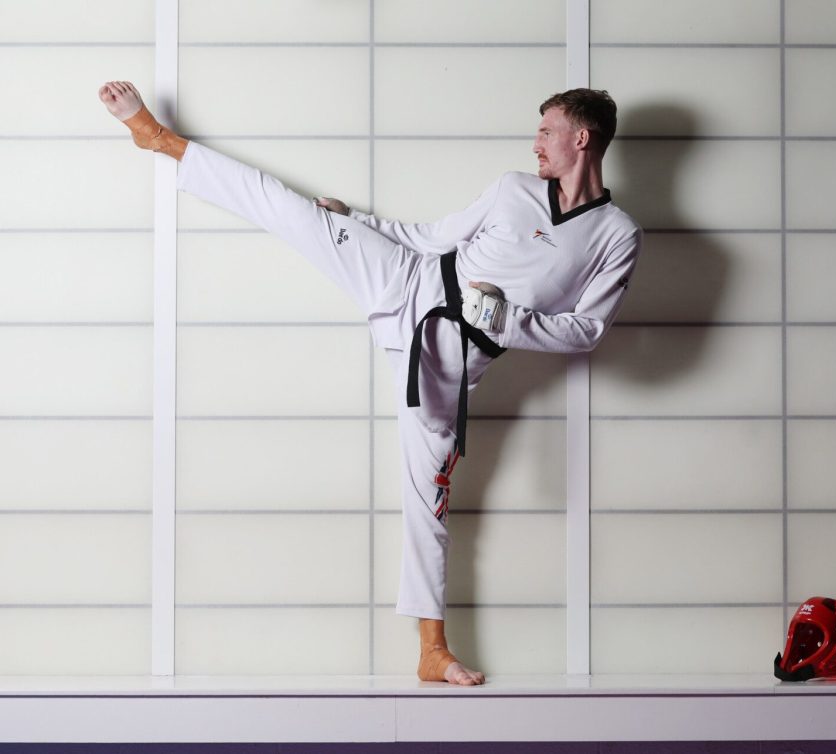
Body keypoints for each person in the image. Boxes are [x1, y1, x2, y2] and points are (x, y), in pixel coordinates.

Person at [98, 80, 642, 686]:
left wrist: (504, 319)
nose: (536, 142)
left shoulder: (616, 235)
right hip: (405, 278)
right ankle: (161, 139)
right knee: (289, 207)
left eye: (546, 131)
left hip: (448, 362)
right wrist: (355, 221)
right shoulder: (513, 188)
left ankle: (432, 651)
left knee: (428, 502)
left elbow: (586, 331)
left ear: (581, 138)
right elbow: (435, 238)